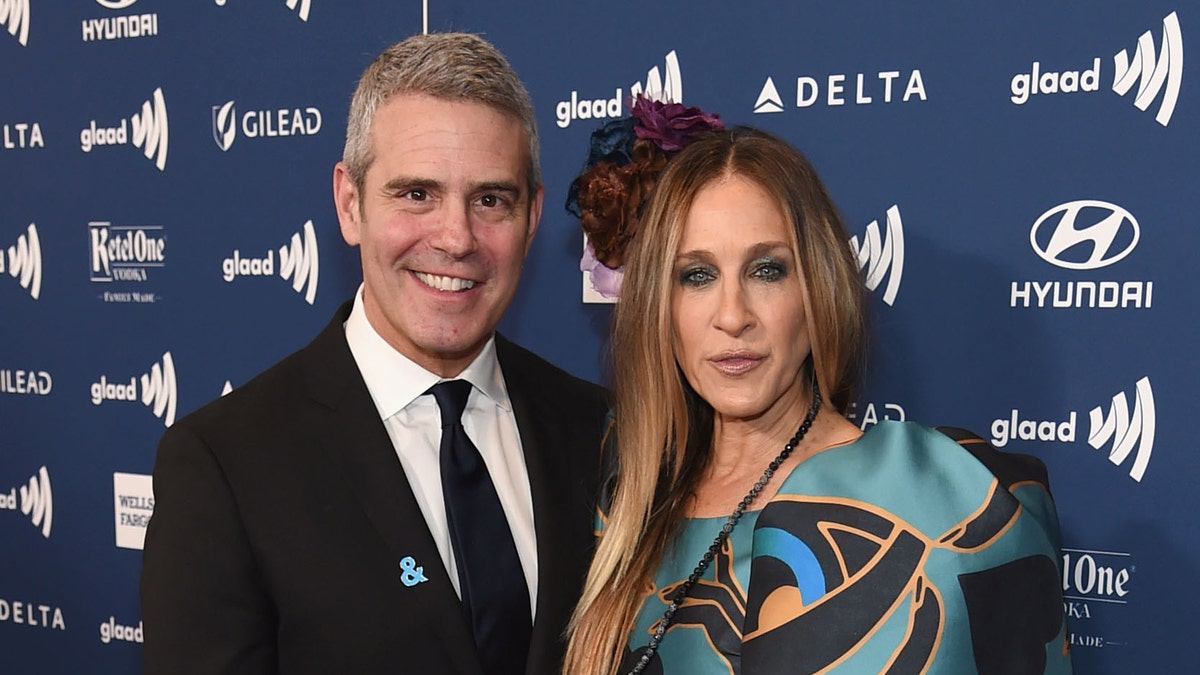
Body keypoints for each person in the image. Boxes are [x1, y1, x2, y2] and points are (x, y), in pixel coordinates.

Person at [141, 33, 609, 675]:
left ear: (531, 218)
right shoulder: (224, 464)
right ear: (350, 204)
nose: (456, 238)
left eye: (491, 200)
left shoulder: (601, 429)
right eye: (417, 194)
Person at [563, 126, 1072, 674]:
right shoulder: (623, 504)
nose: (733, 315)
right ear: (658, 303)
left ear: (817, 289)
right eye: (697, 275)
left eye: (766, 271)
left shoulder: (929, 499)